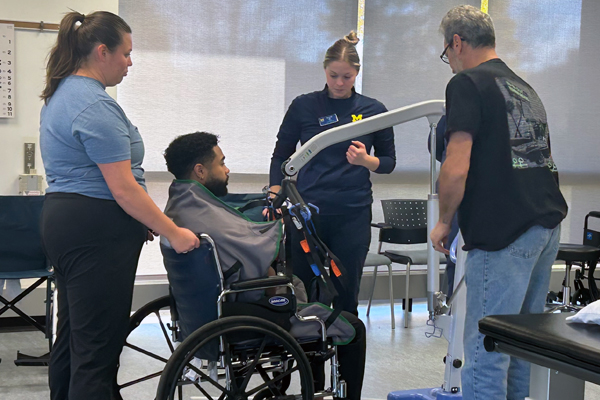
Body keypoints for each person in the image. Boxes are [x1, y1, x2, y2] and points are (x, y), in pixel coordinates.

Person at [38, 11, 199, 400]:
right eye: (126, 53)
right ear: (102, 51)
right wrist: (174, 232)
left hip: (67, 220)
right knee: (97, 351)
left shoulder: (61, 94)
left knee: (75, 338)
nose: (130, 62)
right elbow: (124, 188)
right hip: (96, 228)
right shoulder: (94, 105)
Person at [430, 5, 568, 400]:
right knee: (519, 345)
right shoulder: (522, 86)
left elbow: (456, 165)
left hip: (504, 232)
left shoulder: (467, 84)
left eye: (447, 54)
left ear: (457, 43)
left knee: (486, 350)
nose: (450, 64)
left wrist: (444, 221)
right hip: (544, 227)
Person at [164, 131, 367, 399]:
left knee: (295, 286)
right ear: (200, 171)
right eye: (221, 163)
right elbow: (258, 252)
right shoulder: (207, 218)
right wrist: (277, 226)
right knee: (353, 326)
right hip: (244, 318)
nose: (227, 169)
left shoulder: (179, 206)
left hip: (200, 319)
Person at [269, 31, 396, 316]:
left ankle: (348, 358)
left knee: (346, 297)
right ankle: (309, 360)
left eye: (347, 77)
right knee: (304, 296)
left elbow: (388, 162)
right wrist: (275, 192)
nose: (339, 83)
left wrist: (366, 161)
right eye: (333, 75)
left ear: (357, 74)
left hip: (352, 214)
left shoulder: (373, 110)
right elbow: (281, 155)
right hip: (307, 215)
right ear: (325, 71)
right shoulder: (305, 106)